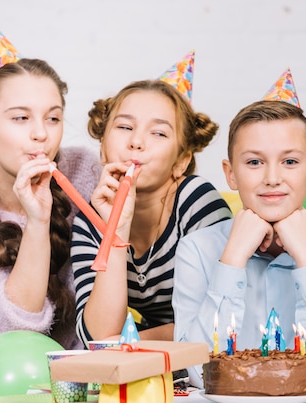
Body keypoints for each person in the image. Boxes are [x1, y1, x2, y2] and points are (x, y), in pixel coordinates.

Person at [173, 100, 306, 388]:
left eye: (290, 162)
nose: (272, 178)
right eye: (254, 162)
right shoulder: (196, 249)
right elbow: (195, 372)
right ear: (230, 173)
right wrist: (232, 259)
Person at [0, 58, 100, 389]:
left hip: (73, 367)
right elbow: (13, 331)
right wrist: (38, 221)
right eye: (20, 118)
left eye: (53, 118)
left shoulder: (82, 171)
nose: (41, 134)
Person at [71, 79, 232, 347]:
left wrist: (124, 345)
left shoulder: (196, 201)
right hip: (149, 359)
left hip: (202, 360)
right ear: (102, 149)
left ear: (181, 162)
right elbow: (97, 337)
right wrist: (117, 230)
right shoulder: (89, 221)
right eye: (124, 127)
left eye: (158, 133)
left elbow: (220, 319)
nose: (136, 141)